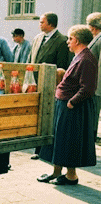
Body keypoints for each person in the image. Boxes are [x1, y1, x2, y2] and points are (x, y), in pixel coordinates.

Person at [37, 25, 97, 185]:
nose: (68, 42)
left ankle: (71, 176)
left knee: (69, 140)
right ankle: (56, 172)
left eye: (70, 39)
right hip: (64, 104)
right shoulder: (80, 56)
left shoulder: (86, 59)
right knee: (61, 139)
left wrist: (72, 102)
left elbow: (88, 88)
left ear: (77, 40)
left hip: (72, 107)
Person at [28, 12, 71, 159]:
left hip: (51, 85)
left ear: (50, 24)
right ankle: (37, 149)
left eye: (42, 22)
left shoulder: (61, 40)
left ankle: (45, 151)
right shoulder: (37, 38)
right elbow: (30, 60)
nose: (39, 24)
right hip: (35, 83)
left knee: (48, 117)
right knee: (37, 116)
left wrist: (57, 86)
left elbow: (62, 66)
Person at [86, 12, 101, 142]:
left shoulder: (100, 39)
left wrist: (97, 87)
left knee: (94, 114)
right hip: (94, 83)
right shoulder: (97, 38)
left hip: (97, 85)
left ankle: (91, 140)